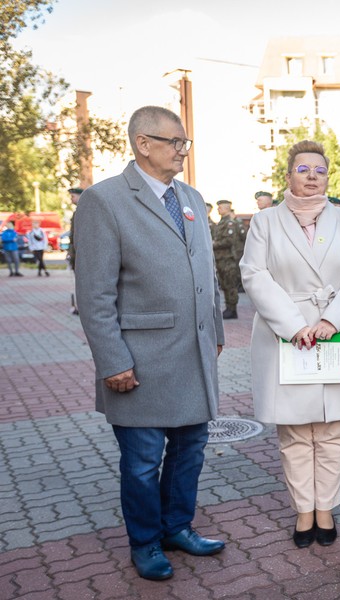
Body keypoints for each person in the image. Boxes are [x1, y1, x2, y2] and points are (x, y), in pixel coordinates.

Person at [74, 105, 225, 581]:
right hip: (140, 361)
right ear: (143, 143)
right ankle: (145, 543)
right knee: (141, 463)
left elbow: (207, 270)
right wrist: (112, 360)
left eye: (185, 143)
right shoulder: (105, 201)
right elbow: (94, 294)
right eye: (174, 142)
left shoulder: (191, 197)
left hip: (193, 354)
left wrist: (217, 332)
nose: (182, 150)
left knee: (190, 451)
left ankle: (177, 527)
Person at [240, 140, 340, 549]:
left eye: (319, 169)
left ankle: (326, 508)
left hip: (339, 330)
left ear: (327, 175)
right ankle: (304, 509)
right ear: (288, 176)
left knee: (335, 428)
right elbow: (254, 275)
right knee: (296, 431)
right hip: (287, 335)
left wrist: (332, 319)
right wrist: (294, 324)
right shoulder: (265, 222)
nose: (312, 176)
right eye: (303, 169)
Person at [212, 199, 244, 319]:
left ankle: (232, 309)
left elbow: (229, 241)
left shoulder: (230, 223)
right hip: (221, 258)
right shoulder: (221, 222)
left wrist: (213, 244)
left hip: (228, 259)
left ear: (226, 208)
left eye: (220, 207)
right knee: (224, 284)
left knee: (230, 285)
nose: (218, 209)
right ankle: (228, 307)